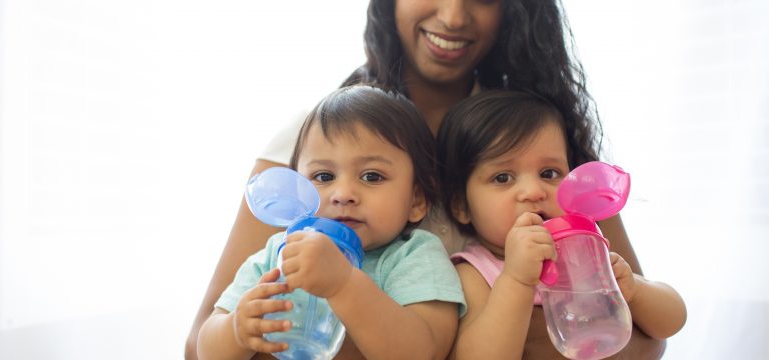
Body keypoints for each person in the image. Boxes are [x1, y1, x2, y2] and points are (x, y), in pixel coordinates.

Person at [187, 1, 667, 358]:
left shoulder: (539, 138)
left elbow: (648, 337)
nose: (455, 17)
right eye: (323, 177)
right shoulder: (309, 136)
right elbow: (203, 344)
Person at [196, 85, 466, 360]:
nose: (343, 195)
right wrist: (236, 330)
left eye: (371, 176)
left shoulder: (413, 256)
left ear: (417, 199)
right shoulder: (279, 251)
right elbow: (204, 350)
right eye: (324, 177)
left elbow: (423, 352)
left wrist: (344, 284)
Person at [437, 90, 687, 359]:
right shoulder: (475, 273)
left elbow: (672, 322)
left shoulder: (585, 250)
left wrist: (635, 289)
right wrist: (516, 280)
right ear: (461, 206)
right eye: (502, 178)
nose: (534, 191)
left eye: (549, 173)